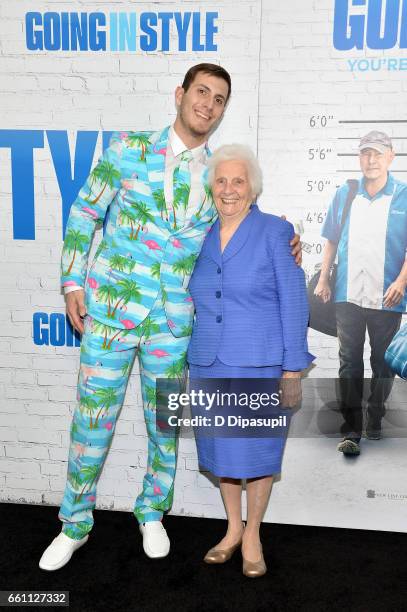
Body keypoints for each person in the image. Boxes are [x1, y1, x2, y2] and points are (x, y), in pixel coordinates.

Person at [39, 64, 302, 571]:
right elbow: (84, 213)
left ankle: (152, 511)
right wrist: (73, 281)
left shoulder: (217, 175)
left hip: (174, 324)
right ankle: (74, 524)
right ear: (180, 94)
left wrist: (289, 238)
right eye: (202, 91)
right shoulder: (126, 148)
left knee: (165, 426)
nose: (208, 103)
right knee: (91, 422)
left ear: (223, 111)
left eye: (220, 98)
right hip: (110, 312)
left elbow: (247, 222)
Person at [187, 144, 314, 577]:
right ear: (211, 187)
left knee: (259, 453)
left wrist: (292, 367)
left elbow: (295, 301)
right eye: (220, 180)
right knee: (223, 453)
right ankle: (232, 529)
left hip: (259, 365)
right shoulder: (194, 234)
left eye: (237, 181)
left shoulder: (276, 233)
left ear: (252, 187)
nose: (228, 189)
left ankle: (254, 534)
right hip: (208, 363)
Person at [314, 131, 407, 456]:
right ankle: (351, 430)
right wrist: (324, 278)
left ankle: (376, 417)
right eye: (366, 153)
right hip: (347, 294)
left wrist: (401, 281)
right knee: (348, 362)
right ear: (360, 157)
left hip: (389, 296)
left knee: (382, 363)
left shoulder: (404, 195)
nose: (371, 160)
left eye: (377, 154)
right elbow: (331, 240)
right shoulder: (346, 193)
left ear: (390, 157)